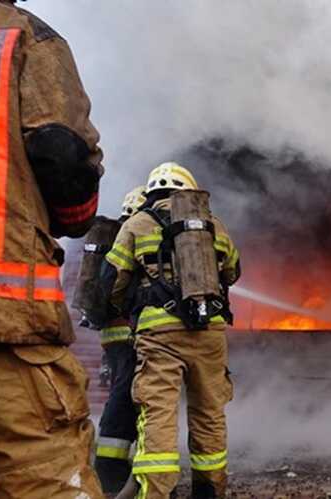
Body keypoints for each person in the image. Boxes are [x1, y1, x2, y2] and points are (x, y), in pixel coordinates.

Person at [0, 1, 105, 497]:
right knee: (48, 477)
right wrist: (73, 220)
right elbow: (63, 155)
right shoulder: (21, 38)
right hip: (4, 321)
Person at [103, 162, 240, 499]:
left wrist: (129, 305)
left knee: (158, 415)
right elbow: (233, 272)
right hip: (209, 332)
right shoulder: (214, 225)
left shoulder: (136, 224)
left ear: (151, 192)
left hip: (159, 336)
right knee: (209, 413)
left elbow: (112, 281)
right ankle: (209, 491)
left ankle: (155, 493)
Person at [94, 186, 147, 494]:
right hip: (127, 330)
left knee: (124, 393)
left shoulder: (118, 233)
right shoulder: (131, 235)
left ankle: (114, 465)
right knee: (126, 396)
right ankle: (111, 470)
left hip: (115, 333)